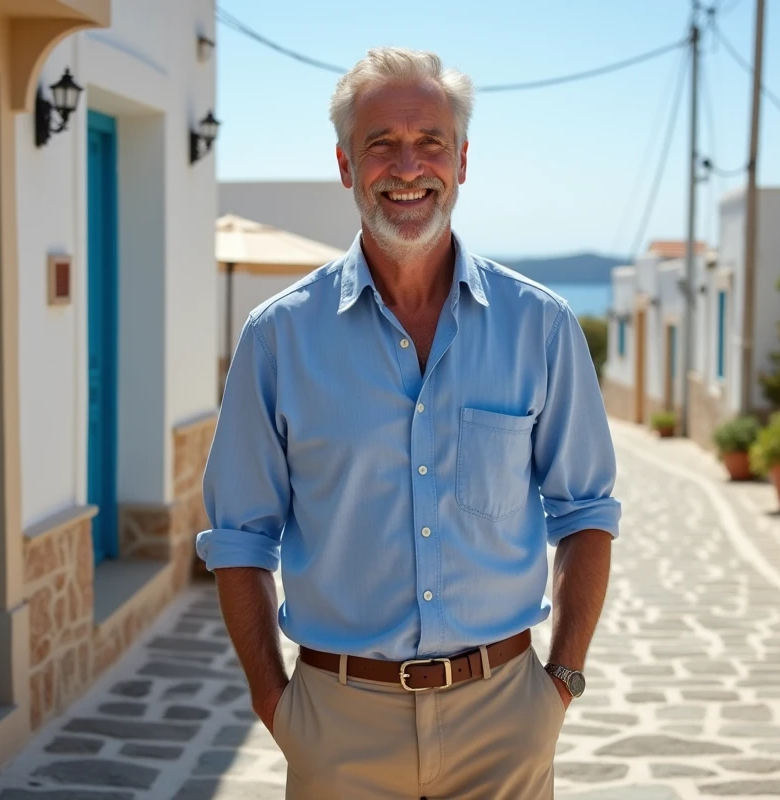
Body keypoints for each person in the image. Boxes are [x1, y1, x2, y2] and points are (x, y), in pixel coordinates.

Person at [196, 45, 621, 800]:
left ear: (462, 161)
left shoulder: (542, 326)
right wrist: (275, 701)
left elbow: (586, 512)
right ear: (345, 166)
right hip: (338, 724)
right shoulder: (277, 337)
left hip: (506, 719)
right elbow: (239, 537)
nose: (407, 166)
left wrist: (560, 682)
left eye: (430, 142)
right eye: (380, 144)